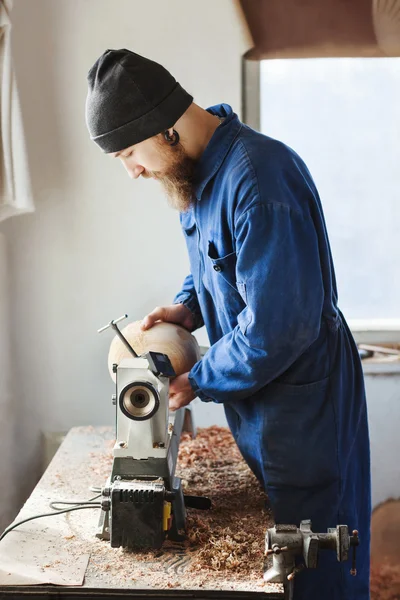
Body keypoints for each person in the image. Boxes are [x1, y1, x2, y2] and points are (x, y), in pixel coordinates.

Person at [86, 49, 371, 599]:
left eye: (129, 152)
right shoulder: (197, 172)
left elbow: (278, 327)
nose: (132, 171)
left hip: (302, 406)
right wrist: (187, 309)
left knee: (315, 562)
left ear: (164, 128)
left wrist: (196, 381)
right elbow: (225, 267)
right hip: (265, 395)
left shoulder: (259, 183)